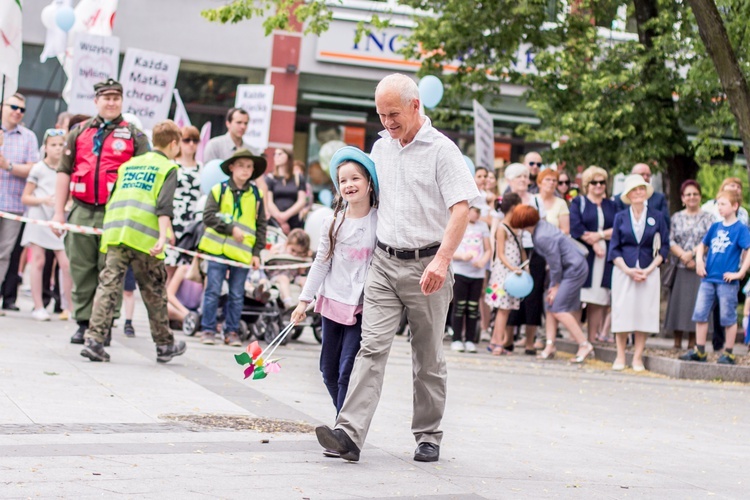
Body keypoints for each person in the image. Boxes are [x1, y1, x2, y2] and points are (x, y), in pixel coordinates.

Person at [314, 74, 479, 463]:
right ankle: (349, 434)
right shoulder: (380, 148)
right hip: (385, 264)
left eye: (393, 114)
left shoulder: (443, 151)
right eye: (381, 114)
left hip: (429, 266)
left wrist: (442, 260)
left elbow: (462, 208)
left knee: (428, 358)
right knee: (370, 348)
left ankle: (428, 435)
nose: (387, 122)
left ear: (415, 106)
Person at [291, 147, 378, 455]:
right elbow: (321, 262)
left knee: (345, 371)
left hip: (363, 307)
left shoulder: (380, 222)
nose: (349, 184)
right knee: (327, 369)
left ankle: (345, 435)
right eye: (343, 180)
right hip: (331, 302)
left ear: (369, 183)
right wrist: (304, 300)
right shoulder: (332, 222)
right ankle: (345, 427)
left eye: (355, 177)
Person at [80, 120, 186, 363]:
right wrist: (163, 236)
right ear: (173, 144)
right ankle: (165, 345)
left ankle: (95, 340)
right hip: (144, 237)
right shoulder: (167, 168)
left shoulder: (129, 164)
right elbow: (164, 206)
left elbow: (114, 195)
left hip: (117, 232)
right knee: (154, 290)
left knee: (108, 285)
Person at [53, 79, 150, 344]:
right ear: (96, 101)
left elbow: (147, 179)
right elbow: (64, 171)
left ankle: (104, 325)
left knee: (112, 271)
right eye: (105, 98)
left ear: (121, 101)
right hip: (82, 210)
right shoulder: (79, 132)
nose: (111, 102)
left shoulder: (135, 136)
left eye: (116, 98)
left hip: (116, 214)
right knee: (81, 270)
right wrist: (58, 212)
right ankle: (84, 323)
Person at [197, 149, 268, 347]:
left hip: (242, 253)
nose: (245, 170)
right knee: (213, 290)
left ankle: (232, 332)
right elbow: (208, 217)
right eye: (241, 165)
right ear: (231, 167)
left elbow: (261, 226)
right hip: (217, 250)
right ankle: (208, 329)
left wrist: (256, 253)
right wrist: (230, 229)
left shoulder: (257, 195)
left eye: (249, 166)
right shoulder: (218, 190)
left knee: (237, 295)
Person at [508, 206, 594, 362]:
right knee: (550, 305)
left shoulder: (542, 236)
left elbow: (555, 263)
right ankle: (550, 345)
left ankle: (584, 344)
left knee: (558, 308)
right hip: (570, 267)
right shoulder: (541, 226)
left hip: (573, 269)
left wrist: (555, 285)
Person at [680, 189, 750, 365]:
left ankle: (729, 352)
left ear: (735, 206)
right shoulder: (715, 227)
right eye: (718, 204)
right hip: (709, 279)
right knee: (700, 314)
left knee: (728, 317)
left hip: (727, 281)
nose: (719, 208)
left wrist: (740, 272)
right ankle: (700, 350)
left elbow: (748, 250)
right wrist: (699, 262)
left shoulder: (741, 229)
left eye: (723, 204)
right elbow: (702, 246)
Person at [608, 174, 669, 371]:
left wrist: (649, 269)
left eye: (641, 189)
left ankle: (637, 357)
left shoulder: (656, 216)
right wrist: (627, 269)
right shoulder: (620, 217)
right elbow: (614, 248)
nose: (638, 193)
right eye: (634, 190)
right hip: (624, 270)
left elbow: (664, 247)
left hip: (648, 270)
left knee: (644, 313)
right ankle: (620, 356)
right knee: (623, 312)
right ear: (628, 194)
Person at [20, 129, 72, 321]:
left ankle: (68, 307)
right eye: (54, 145)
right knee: (39, 261)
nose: (58, 149)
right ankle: (38, 305)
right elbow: (26, 197)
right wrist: (43, 200)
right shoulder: (38, 168)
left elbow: (71, 195)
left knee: (66, 263)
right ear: (46, 147)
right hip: (39, 218)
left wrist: (66, 204)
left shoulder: (67, 169)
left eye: (61, 145)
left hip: (58, 221)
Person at [0, 92, 40, 313]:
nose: (17, 112)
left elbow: (32, 169)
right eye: (13, 107)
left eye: (21, 109)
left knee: (5, 253)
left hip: (13, 206)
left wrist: (8, 166)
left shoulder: (28, 137)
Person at [701, 177, 749, 351]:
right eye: (731, 185)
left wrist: (742, 268)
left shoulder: (742, 216)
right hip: (711, 269)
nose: (735, 188)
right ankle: (709, 346)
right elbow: (703, 241)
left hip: (731, 266)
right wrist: (699, 260)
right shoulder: (710, 211)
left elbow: (746, 244)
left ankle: (727, 350)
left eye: (738, 186)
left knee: (727, 311)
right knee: (706, 310)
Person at [664, 181, 713, 350]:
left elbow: (710, 240)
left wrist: (693, 254)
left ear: (700, 197)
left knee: (696, 304)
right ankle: (676, 341)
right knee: (679, 304)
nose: (692, 197)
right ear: (683, 198)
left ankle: (693, 342)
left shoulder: (708, 217)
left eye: (695, 194)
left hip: (700, 266)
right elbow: (670, 240)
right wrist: (683, 255)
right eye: (688, 194)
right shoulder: (676, 217)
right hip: (680, 266)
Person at [570, 166, 616, 344]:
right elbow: (575, 226)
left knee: (597, 298)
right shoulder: (579, 203)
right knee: (579, 296)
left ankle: (592, 338)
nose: (598, 186)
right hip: (583, 255)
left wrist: (600, 235)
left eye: (602, 182)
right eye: (594, 182)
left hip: (604, 257)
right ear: (587, 185)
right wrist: (594, 242)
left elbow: (619, 226)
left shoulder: (612, 205)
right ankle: (577, 339)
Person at [505, 162, 545, 354]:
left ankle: (530, 341)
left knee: (533, 296)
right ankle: (507, 338)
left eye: (525, 176)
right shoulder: (505, 200)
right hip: (511, 252)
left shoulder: (536, 201)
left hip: (534, 251)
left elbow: (543, 227)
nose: (523, 180)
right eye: (518, 176)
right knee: (509, 293)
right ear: (509, 180)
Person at [485, 193, 524, 355]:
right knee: (502, 308)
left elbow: (520, 249)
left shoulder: (516, 227)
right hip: (502, 273)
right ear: (514, 208)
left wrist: (523, 266)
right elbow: (500, 253)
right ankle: (498, 342)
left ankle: (495, 341)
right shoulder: (502, 228)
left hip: (512, 273)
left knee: (505, 309)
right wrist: (513, 268)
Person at [450, 204, 491, 353]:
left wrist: (483, 261)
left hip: (477, 273)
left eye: (480, 212)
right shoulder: (459, 222)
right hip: (460, 271)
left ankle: (470, 339)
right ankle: (456, 339)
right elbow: (448, 247)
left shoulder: (483, 227)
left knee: (473, 307)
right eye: (476, 211)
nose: (478, 215)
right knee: (459, 306)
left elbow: (488, 250)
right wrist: (462, 256)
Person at [164, 126, 203, 278]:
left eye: (195, 140)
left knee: (184, 269)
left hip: (192, 222)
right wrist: (167, 229)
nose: (191, 144)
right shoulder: (172, 165)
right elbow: (165, 198)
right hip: (174, 218)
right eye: (187, 140)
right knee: (168, 269)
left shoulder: (201, 167)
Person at [263, 228, 313, 309]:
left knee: (304, 280)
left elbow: (301, 272)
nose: (295, 254)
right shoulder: (279, 248)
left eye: (299, 253)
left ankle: (306, 302)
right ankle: (288, 302)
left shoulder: (303, 255)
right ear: (286, 243)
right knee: (284, 279)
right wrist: (272, 255)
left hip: (293, 276)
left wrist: (304, 260)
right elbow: (266, 263)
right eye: (293, 250)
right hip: (277, 275)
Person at [265, 148, 307, 234]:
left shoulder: (298, 178)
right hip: (275, 222)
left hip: (294, 222)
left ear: (288, 157)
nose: (277, 157)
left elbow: (301, 201)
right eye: (275, 154)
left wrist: (285, 216)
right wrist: (280, 219)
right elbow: (268, 202)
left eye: (280, 154)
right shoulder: (270, 178)